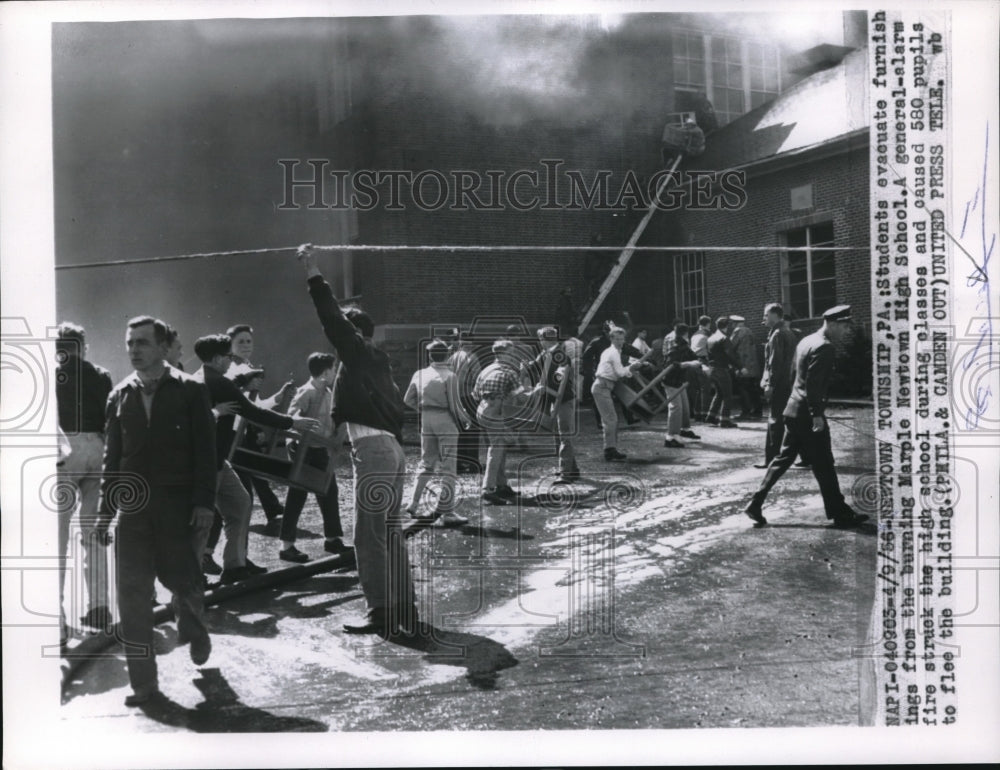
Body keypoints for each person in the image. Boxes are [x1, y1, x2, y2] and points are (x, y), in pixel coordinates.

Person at [296, 243, 420, 638]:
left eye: (343, 336)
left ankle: (380, 612)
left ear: (355, 334)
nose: (335, 344)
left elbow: (332, 318)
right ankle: (403, 606)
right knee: (389, 532)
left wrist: (313, 270)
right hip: (390, 451)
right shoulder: (374, 365)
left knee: (367, 536)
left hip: (376, 452)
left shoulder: (360, 352)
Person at [98, 316, 217, 706]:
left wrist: (203, 502)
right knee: (132, 597)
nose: (134, 350)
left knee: (183, 581)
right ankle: (144, 685)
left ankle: (195, 628)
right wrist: (104, 512)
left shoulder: (189, 391)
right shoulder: (119, 395)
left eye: (143, 343)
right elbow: (111, 461)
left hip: (177, 509)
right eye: (130, 343)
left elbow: (206, 452)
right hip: (132, 514)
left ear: (163, 347)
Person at [192, 334, 320, 582]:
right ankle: (195, 572)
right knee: (203, 517)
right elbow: (252, 411)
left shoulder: (201, 378)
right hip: (209, 463)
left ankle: (234, 566)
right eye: (228, 356)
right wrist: (293, 421)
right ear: (218, 358)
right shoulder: (218, 382)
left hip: (217, 460)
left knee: (240, 503)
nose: (231, 360)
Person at [743, 306, 869, 529]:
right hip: (808, 416)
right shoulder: (825, 347)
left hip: (793, 410)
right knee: (825, 465)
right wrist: (816, 414)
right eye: (843, 326)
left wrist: (798, 404)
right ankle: (840, 514)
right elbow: (813, 385)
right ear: (831, 324)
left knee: (783, 460)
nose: (846, 331)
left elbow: (794, 377)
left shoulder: (806, 341)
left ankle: (755, 503)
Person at [54, 322, 113, 637]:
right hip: (98, 448)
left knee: (57, 537)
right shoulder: (101, 375)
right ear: (82, 345)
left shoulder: (52, 376)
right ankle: (100, 608)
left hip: (64, 449)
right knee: (94, 533)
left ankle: (57, 618)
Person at [277, 352, 354, 561]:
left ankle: (332, 539)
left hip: (320, 448)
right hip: (303, 448)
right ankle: (287, 546)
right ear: (325, 371)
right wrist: (298, 422)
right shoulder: (307, 391)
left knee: (329, 490)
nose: (335, 372)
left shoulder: (329, 392)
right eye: (333, 369)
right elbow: (291, 417)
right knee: (298, 494)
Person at [225, 323, 294, 529]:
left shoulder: (247, 366)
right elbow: (237, 400)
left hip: (243, 431)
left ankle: (269, 510)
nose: (246, 345)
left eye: (249, 341)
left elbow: (255, 406)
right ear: (230, 345)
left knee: (249, 473)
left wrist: (278, 396)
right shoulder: (231, 368)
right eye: (240, 342)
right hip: (230, 431)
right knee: (242, 480)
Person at [403, 340, 469, 526]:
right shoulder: (450, 376)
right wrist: (466, 420)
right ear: (447, 355)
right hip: (444, 418)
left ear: (430, 355)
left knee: (426, 463)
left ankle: (413, 503)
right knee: (449, 467)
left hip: (426, 418)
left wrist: (423, 410)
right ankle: (447, 511)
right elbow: (455, 406)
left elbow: (408, 399)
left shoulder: (420, 374)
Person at [524, 326, 582, 483]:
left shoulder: (560, 356)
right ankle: (573, 469)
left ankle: (566, 473)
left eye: (542, 340)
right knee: (559, 435)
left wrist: (545, 387)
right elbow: (536, 366)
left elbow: (559, 379)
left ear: (544, 340)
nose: (541, 342)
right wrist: (527, 366)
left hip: (563, 399)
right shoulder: (545, 354)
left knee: (564, 435)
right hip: (554, 399)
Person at [473, 339, 527, 505]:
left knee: (500, 446)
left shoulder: (486, 370)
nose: (514, 356)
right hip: (495, 412)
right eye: (511, 353)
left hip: (482, 410)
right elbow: (521, 398)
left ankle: (501, 484)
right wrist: (532, 387)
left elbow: (475, 394)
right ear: (503, 354)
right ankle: (488, 489)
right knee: (496, 449)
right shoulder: (509, 372)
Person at [755, 303, 799, 468]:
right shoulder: (787, 332)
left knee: (775, 421)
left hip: (780, 385)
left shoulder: (777, 334)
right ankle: (808, 457)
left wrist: (770, 385)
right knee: (793, 421)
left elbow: (775, 363)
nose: (764, 318)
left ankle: (771, 459)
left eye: (766, 315)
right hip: (789, 383)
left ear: (775, 315)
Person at [591, 325, 643, 461]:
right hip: (602, 386)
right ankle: (609, 450)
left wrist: (630, 369)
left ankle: (610, 448)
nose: (620, 342)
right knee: (611, 419)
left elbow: (617, 371)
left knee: (610, 419)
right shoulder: (613, 352)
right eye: (617, 339)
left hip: (605, 386)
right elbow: (620, 373)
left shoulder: (610, 351)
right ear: (611, 339)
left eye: (622, 339)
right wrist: (632, 367)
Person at [448, 329, 483, 474]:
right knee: (473, 430)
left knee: (459, 430)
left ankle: (458, 462)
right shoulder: (472, 357)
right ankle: (473, 463)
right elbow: (477, 377)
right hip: (468, 396)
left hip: (454, 396)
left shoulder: (453, 357)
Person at [661, 334, 701, 447]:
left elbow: (695, 358)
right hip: (670, 382)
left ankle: (684, 429)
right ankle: (670, 437)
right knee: (676, 407)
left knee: (684, 406)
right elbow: (670, 365)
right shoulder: (674, 350)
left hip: (678, 381)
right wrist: (688, 363)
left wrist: (698, 363)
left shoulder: (685, 349)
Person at [704, 316, 738, 428]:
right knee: (727, 395)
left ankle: (711, 416)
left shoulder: (710, 338)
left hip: (712, 369)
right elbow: (730, 355)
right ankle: (725, 420)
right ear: (727, 326)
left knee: (719, 394)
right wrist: (740, 366)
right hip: (722, 369)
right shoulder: (724, 338)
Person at [729, 315, 763, 419]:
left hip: (743, 366)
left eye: (732, 323)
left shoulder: (737, 331)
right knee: (753, 389)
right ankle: (757, 411)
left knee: (743, 389)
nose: (731, 325)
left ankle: (746, 412)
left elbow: (730, 346)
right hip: (753, 366)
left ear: (735, 323)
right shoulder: (750, 332)